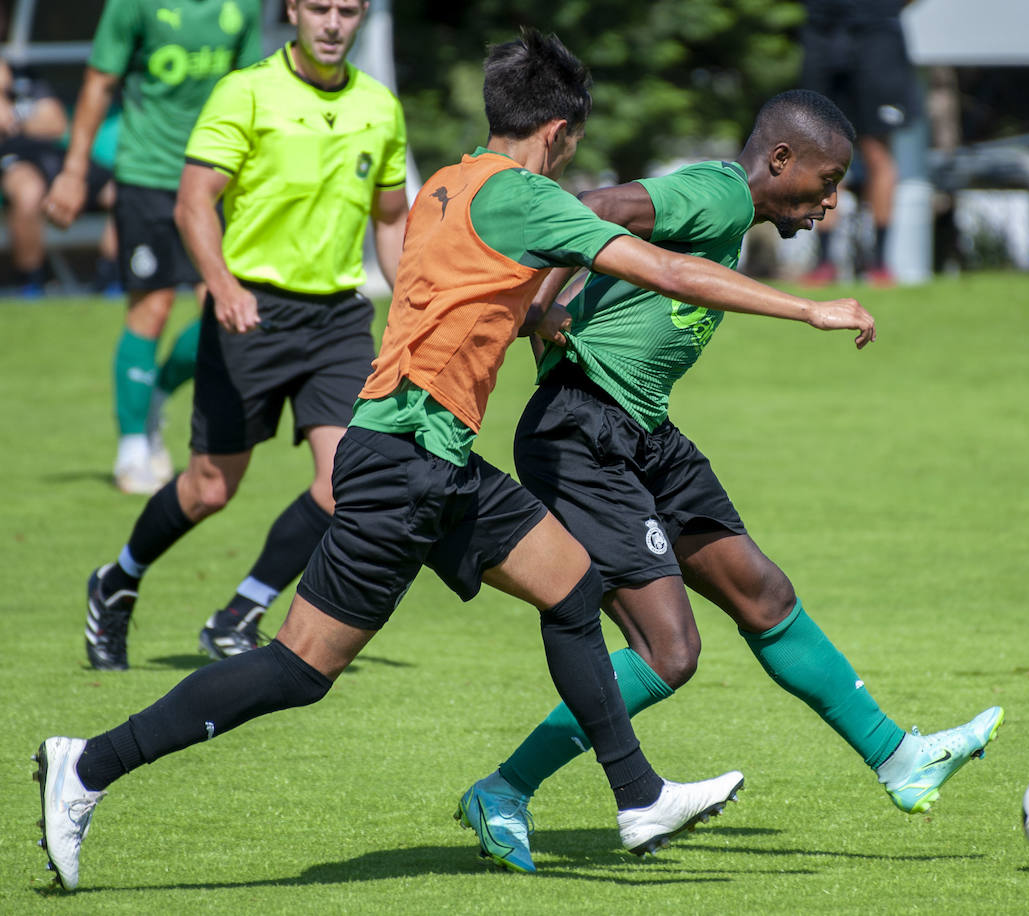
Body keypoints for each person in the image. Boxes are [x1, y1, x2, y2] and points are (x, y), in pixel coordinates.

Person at [33, 27, 878, 891]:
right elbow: (664, 269)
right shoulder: (524, 195)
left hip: (426, 454)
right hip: (405, 463)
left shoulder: (447, 184)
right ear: (556, 133)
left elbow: (466, 295)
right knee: (296, 669)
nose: (565, 162)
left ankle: (638, 795)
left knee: (573, 583)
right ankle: (90, 765)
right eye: (569, 147)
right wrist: (807, 310)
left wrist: (536, 316)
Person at [455, 89, 1002, 874]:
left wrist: (552, 309)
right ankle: (504, 789)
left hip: (641, 429)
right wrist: (537, 309)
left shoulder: (727, 217)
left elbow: (601, 239)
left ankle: (900, 759)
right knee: (669, 650)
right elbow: (593, 205)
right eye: (827, 179)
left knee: (762, 593)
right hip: (581, 433)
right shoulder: (714, 193)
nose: (830, 201)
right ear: (780, 160)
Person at [82, 0, 407, 672]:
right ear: (291, 9)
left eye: (348, 10)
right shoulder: (245, 91)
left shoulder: (380, 106)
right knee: (209, 488)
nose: (332, 23)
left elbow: (391, 217)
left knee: (347, 479)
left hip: (340, 317)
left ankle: (241, 611)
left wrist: (411, 303)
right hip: (251, 312)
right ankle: (117, 580)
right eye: (319, 6)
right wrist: (223, 286)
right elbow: (193, 200)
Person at [44, 0, 262, 494]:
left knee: (223, 316)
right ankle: (133, 449)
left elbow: (256, 91)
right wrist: (75, 171)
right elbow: (99, 83)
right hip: (147, 175)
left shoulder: (243, 6)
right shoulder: (134, 4)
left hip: (217, 179)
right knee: (153, 307)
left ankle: (157, 392)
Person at [799, 0, 918, 286]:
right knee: (820, 151)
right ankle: (825, 262)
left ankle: (879, 263)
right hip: (822, 30)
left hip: (877, 35)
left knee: (877, 151)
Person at [0, 59, 119, 297]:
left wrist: (14, 117)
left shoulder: (25, 74)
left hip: (54, 158)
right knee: (28, 192)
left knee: (126, 191)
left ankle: (109, 279)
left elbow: (56, 123)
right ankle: (32, 284)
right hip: (12, 159)